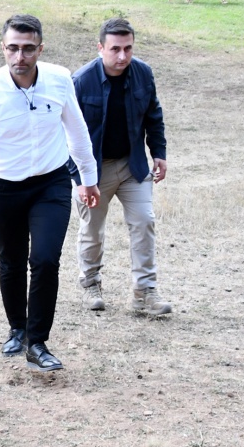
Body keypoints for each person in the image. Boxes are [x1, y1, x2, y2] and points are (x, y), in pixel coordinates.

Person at [0, 14, 100, 372]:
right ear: (2, 48)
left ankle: (37, 343)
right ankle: (17, 328)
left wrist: (88, 177)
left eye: (27, 49)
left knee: (44, 259)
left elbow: (78, 131)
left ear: (40, 48)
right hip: (4, 188)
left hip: (50, 184)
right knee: (11, 260)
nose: (19, 57)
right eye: (12, 48)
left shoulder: (59, 80)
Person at [72, 18, 173, 318]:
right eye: (115, 49)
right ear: (100, 47)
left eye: (128, 48)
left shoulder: (143, 73)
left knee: (144, 222)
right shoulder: (81, 81)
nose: (122, 56)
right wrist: (78, 178)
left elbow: (153, 114)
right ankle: (90, 283)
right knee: (92, 229)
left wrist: (159, 152)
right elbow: (64, 133)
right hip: (93, 171)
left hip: (133, 165)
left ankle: (145, 294)